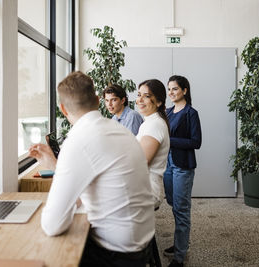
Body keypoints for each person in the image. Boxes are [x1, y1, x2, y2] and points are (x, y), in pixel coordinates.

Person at [28, 71, 155, 267]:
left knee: (46, 252)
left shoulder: (79, 140)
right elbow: (84, 193)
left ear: (63, 109)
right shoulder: (118, 130)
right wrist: (55, 164)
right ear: (97, 101)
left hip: (118, 254)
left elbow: (53, 225)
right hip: (141, 245)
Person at [163, 75, 202, 267]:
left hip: (182, 166)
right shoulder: (168, 112)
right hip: (167, 166)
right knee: (173, 204)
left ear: (184, 90)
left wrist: (170, 141)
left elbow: (196, 142)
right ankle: (181, 242)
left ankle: (180, 255)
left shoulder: (190, 113)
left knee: (182, 209)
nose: (171, 93)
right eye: (169, 89)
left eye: (175, 89)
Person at [135, 79, 170, 210]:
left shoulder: (155, 124)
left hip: (148, 189)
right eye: (139, 95)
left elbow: (140, 163)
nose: (140, 100)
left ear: (159, 102)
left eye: (147, 96)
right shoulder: (148, 123)